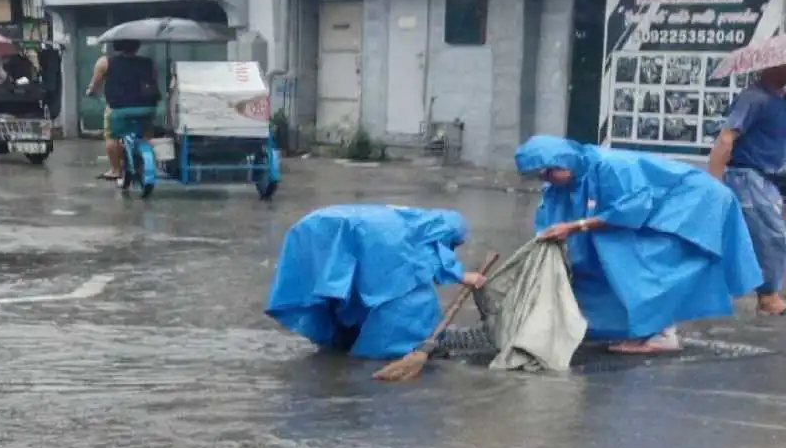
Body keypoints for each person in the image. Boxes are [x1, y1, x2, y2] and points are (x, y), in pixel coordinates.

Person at [516, 135, 761, 353]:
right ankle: (640, 326)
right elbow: (555, 216)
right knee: (607, 258)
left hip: (693, 203)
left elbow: (633, 208)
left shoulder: (610, 167)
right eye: (540, 174)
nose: (546, 178)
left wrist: (575, 226)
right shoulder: (568, 179)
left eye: (550, 171)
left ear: (565, 161)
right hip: (664, 206)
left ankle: (662, 334)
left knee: (654, 263)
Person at [265, 205, 487, 359]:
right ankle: (371, 354)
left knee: (343, 297)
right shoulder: (418, 235)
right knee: (410, 303)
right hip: (336, 234)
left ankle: (339, 345)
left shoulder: (405, 221)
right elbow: (428, 263)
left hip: (315, 232)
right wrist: (463, 276)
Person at [706, 64, 786, 315]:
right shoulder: (754, 98)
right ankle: (768, 297)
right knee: (772, 234)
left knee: (752, 235)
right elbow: (726, 138)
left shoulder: (779, 99)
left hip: (769, 178)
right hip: (746, 175)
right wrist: (713, 182)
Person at [86, 39, 160, 181]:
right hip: (147, 108)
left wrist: (90, 91)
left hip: (119, 109)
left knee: (112, 136)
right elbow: (154, 82)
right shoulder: (149, 63)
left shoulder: (105, 62)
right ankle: (147, 158)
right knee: (146, 134)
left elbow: (95, 85)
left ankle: (115, 169)